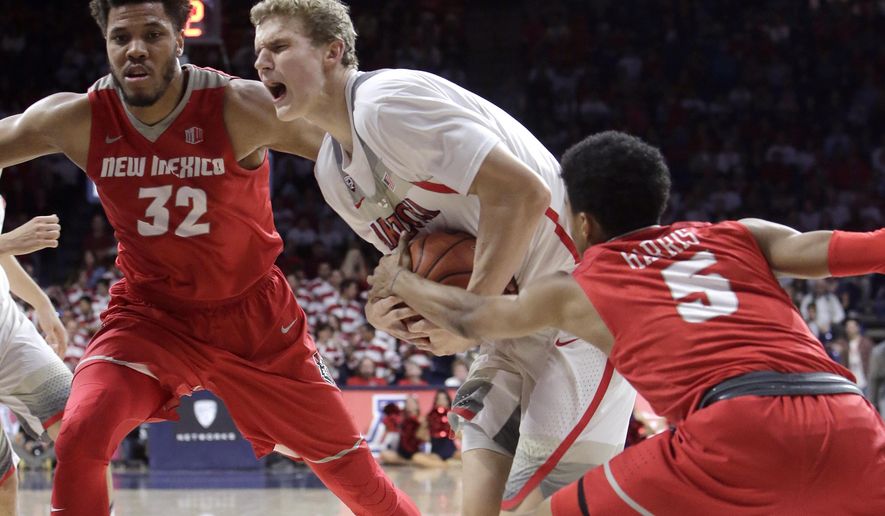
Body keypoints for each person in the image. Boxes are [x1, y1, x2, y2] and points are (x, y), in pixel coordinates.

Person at [0, 1, 418, 514]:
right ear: (106, 44)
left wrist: (415, 239)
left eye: (152, 34)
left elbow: (359, 149)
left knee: (360, 483)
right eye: (120, 37)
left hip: (255, 320)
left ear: (180, 38)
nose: (135, 48)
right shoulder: (77, 118)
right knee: (81, 431)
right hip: (150, 317)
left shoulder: (239, 105)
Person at [369, 131, 885, 514]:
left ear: (583, 221)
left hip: (734, 428)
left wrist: (400, 279)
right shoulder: (738, 234)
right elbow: (839, 248)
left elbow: (472, 316)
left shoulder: (579, 284)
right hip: (850, 417)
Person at [251, 2, 635, 512]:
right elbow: (409, 267)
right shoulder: (332, 175)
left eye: (278, 47)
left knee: (540, 507)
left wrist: (468, 320)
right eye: (258, 52)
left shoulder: (386, 105)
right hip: (507, 326)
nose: (261, 63)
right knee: (478, 506)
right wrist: (390, 314)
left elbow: (523, 193)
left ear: (332, 52)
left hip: (577, 313)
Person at [0, 194, 71, 515]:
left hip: (8, 328)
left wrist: (40, 302)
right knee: (3, 484)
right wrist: (7, 241)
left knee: (83, 429)